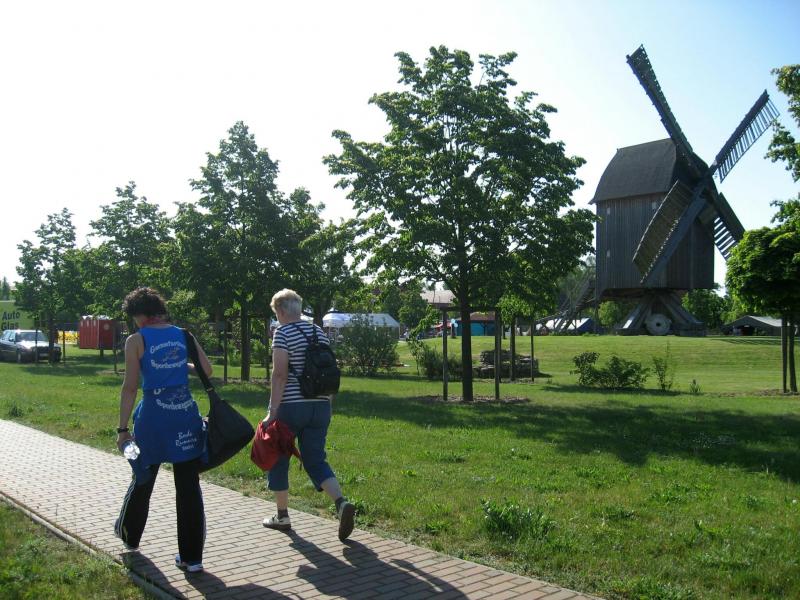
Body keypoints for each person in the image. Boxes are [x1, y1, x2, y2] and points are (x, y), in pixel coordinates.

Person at [114, 287, 213, 573]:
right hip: (185, 417)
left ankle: (130, 537)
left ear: (140, 315)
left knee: (143, 477)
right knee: (189, 487)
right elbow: (207, 370)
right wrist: (182, 364)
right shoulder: (184, 335)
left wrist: (122, 429)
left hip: (153, 419)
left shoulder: (136, 340)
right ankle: (192, 559)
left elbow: (130, 387)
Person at [263, 288, 355, 541]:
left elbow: (279, 374)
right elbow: (329, 370)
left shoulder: (282, 332)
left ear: (281, 311)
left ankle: (282, 516)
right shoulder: (318, 332)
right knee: (315, 459)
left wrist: (272, 411)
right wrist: (328, 404)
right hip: (321, 406)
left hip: (292, 406)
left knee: (279, 456)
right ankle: (341, 503)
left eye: (276, 313)